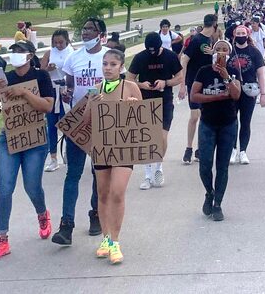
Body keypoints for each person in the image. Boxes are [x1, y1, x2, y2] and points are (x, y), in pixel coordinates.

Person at [0, 40, 55, 261]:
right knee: (5, 187)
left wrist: (24, 92)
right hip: (9, 138)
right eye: (12, 51)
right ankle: (2, 238)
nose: (15, 55)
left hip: (35, 138)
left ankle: (42, 213)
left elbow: (47, 106)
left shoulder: (41, 76)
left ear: (29, 56)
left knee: (32, 186)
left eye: (20, 51)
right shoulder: (5, 78)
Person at [85, 49, 143, 265]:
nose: (108, 68)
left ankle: (116, 242)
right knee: (103, 193)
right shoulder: (96, 89)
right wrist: (92, 103)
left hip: (124, 146)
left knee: (118, 192)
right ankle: (106, 238)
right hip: (102, 146)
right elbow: (85, 122)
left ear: (121, 67)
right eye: (105, 64)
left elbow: (143, 120)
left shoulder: (131, 87)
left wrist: (134, 107)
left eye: (112, 64)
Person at [52, 18, 106, 246]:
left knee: (97, 173)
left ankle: (96, 214)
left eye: (90, 29)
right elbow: (70, 85)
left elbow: (117, 86)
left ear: (100, 33)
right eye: (83, 29)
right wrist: (67, 93)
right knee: (72, 174)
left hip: (101, 122)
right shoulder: (74, 58)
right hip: (78, 123)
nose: (85, 33)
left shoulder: (108, 57)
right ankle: (66, 225)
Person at [189, 40, 242, 222]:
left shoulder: (234, 71)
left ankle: (218, 203)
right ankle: (209, 192)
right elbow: (194, 96)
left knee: (222, 166)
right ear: (213, 51)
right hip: (208, 123)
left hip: (228, 123)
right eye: (218, 49)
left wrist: (226, 76)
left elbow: (236, 95)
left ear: (229, 53)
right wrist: (218, 96)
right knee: (205, 163)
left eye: (225, 50)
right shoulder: (204, 71)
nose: (221, 52)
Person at [127, 32, 183, 190]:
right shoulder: (140, 58)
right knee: (147, 139)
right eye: (149, 50)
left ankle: (158, 166)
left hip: (164, 100)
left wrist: (165, 83)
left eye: (155, 50)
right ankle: (147, 173)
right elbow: (129, 79)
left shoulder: (170, 56)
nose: (152, 53)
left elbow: (179, 77)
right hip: (145, 100)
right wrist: (142, 85)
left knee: (162, 137)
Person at [179, 14, 220, 164]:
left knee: (204, 117)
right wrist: (182, 85)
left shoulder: (212, 41)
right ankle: (188, 148)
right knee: (194, 117)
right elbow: (184, 60)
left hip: (208, 83)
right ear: (214, 24)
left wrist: (214, 54)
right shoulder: (197, 40)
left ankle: (199, 149)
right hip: (194, 83)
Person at [228, 25, 265, 164]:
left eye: (243, 33)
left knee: (246, 121)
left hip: (249, 91)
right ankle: (232, 149)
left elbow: (261, 74)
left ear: (247, 34)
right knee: (232, 121)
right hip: (232, 91)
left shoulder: (254, 52)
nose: (240, 35)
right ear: (234, 35)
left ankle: (243, 151)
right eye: (238, 33)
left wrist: (263, 94)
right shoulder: (229, 51)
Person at [41, 29, 74, 172]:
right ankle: (53, 158)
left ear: (66, 40)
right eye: (55, 42)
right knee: (52, 124)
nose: (58, 45)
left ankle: (68, 151)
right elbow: (41, 71)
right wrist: (48, 68)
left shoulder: (72, 52)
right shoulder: (49, 53)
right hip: (52, 89)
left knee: (67, 123)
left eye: (61, 42)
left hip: (66, 89)